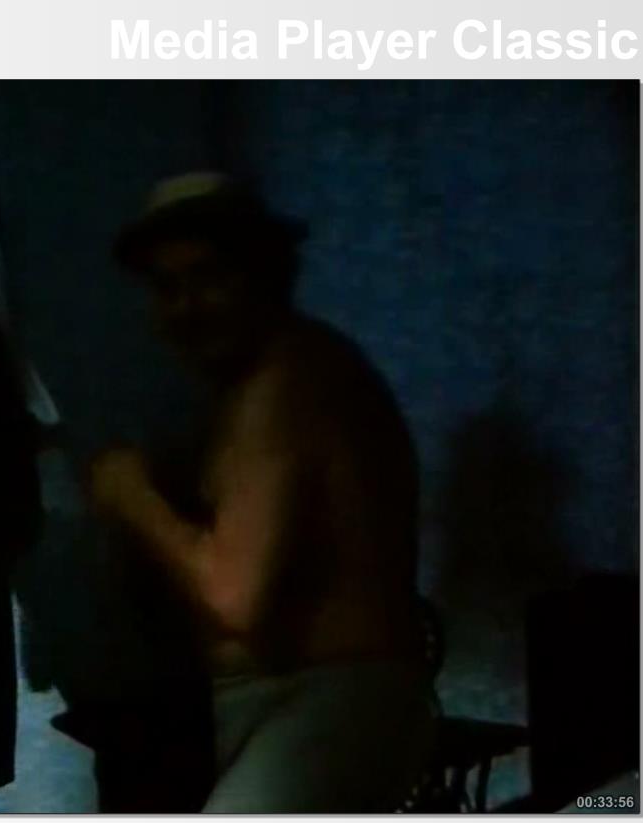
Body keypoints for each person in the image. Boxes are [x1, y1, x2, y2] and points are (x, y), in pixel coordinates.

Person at [87, 172, 436, 812]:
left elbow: (233, 598)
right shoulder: (264, 388)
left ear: (266, 276)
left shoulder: (285, 384)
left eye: (210, 278)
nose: (188, 307)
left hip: (329, 702)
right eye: (167, 288)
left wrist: (129, 493)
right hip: (302, 707)